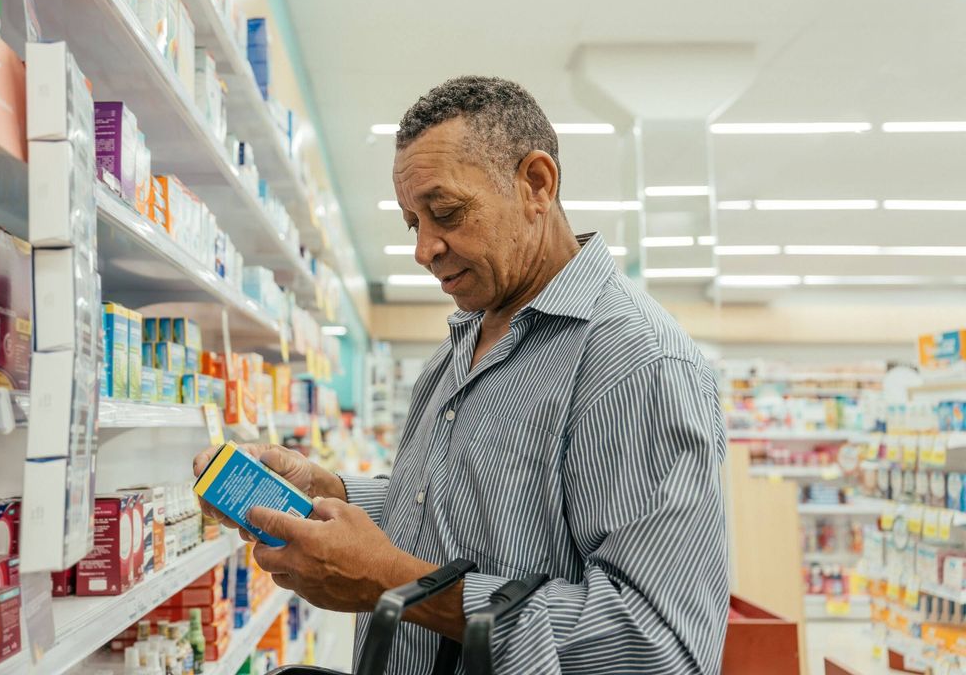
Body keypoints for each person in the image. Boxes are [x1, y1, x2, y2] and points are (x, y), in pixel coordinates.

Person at [193, 76, 728, 674]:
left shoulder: (635, 365)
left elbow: (654, 645)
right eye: (411, 223)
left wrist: (391, 582)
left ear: (537, 185)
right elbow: (450, 511)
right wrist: (330, 492)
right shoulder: (461, 345)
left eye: (445, 212)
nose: (424, 249)